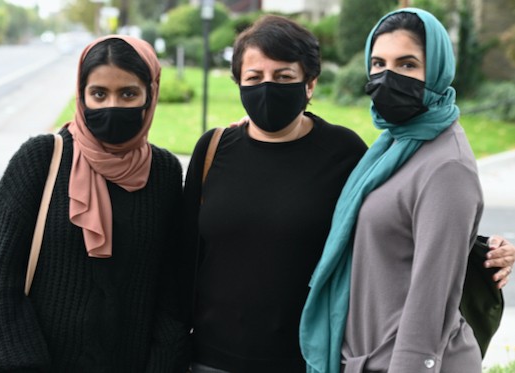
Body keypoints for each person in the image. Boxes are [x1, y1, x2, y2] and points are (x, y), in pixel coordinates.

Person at [181, 14, 515, 373]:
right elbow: (183, 255)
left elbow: (411, 225)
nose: (267, 88)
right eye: (254, 78)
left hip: (306, 356)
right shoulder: (215, 148)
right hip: (211, 358)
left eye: (283, 77)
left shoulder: (346, 152)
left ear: (309, 84)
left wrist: (480, 250)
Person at [300, 8, 501, 373]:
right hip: (368, 358)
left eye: (407, 65)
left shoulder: (446, 165)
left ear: (437, 71)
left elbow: (431, 302)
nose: (386, 76)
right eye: (378, 63)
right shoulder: (394, 145)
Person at [0, 35, 188, 372]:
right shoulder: (41, 159)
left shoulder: (164, 173)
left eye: (128, 94)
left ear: (151, 95)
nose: (111, 105)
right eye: (99, 94)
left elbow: (170, 290)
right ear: (82, 95)